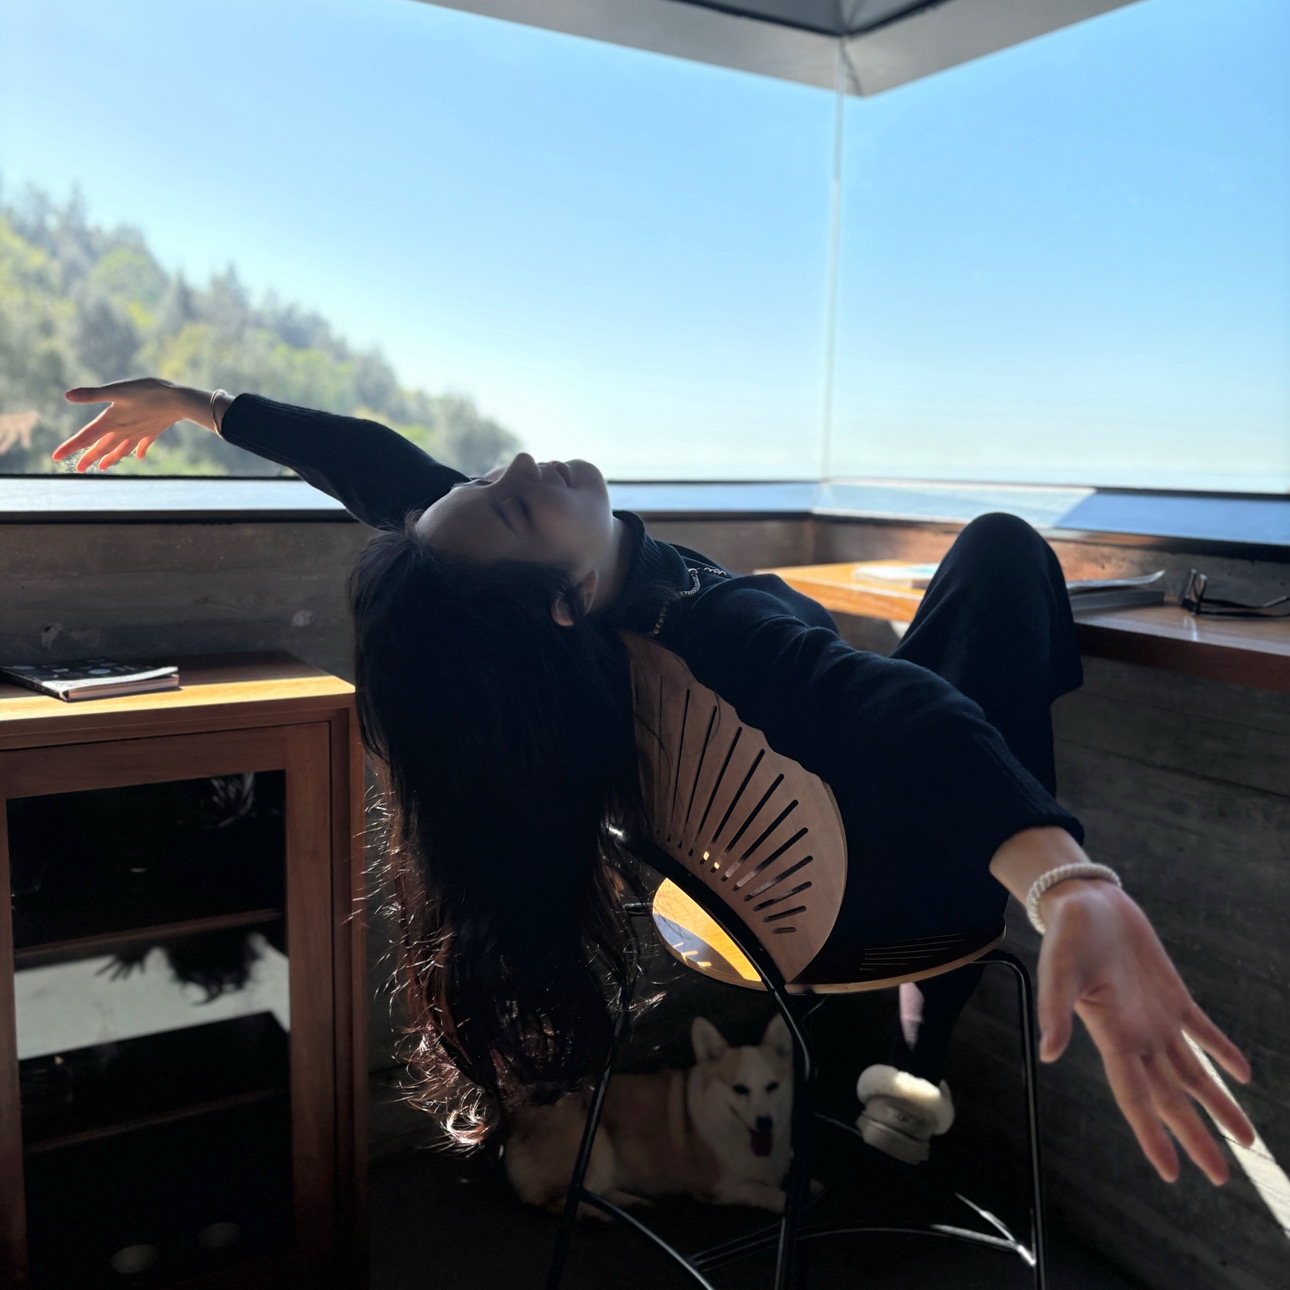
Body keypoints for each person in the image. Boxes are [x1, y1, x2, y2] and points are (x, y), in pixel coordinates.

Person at [54, 378, 1255, 1186]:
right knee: (999, 555)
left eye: (487, 478)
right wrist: (1071, 885)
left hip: (741, 901)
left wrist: (203, 405)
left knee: (946, 626)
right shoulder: (704, 621)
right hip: (899, 888)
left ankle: (887, 1055)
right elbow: (894, 714)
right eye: (513, 498)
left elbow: (384, 475)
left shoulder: (522, 616)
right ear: (567, 599)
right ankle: (920, 1051)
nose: (522, 463)